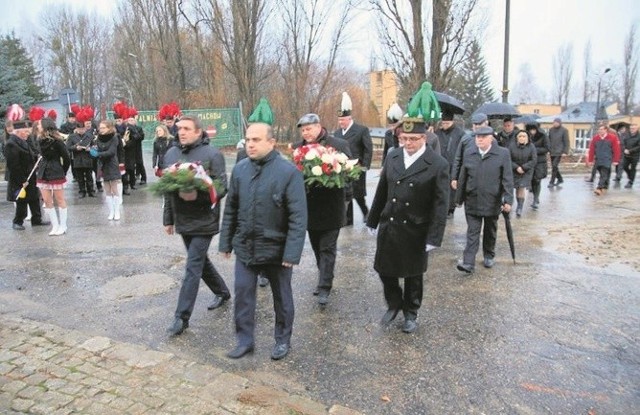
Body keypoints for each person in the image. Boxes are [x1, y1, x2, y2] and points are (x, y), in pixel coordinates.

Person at [220, 121, 307, 360]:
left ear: (271, 142)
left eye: (256, 140)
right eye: (248, 140)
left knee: (282, 298)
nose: (250, 144)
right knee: (243, 295)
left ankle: (282, 340)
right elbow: (232, 208)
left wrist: (291, 253)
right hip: (246, 247)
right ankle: (244, 340)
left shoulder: (289, 172)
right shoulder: (240, 170)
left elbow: (298, 217)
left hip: (276, 250)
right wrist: (225, 241)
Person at [366, 115, 449, 334]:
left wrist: (434, 237)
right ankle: (394, 303)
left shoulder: (437, 164)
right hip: (390, 223)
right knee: (384, 269)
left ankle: (411, 312)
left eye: (413, 139)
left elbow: (441, 205)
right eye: (404, 139)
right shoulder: (393, 156)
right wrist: (372, 220)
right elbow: (382, 191)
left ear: (424, 138)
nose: (408, 144)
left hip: (416, 227)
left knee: (413, 275)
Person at [163, 115, 231, 336]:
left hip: (204, 219)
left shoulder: (212, 154)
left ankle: (181, 317)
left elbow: (221, 188)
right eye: (179, 128)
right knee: (200, 261)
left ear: (198, 132)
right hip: (183, 219)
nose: (181, 132)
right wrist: (168, 219)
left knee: (192, 266)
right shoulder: (171, 154)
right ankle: (222, 291)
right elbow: (168, 189)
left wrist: (197, 194)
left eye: (186, 128)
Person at [292, 113, 351, 305]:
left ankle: (325, 286)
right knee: (317, 246)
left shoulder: (338, 145)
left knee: (327, 247)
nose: (305, 133)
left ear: (319, 127)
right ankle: (323, 277)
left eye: (308, 129)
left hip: (332, 205)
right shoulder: (298, 148)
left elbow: (349, 174)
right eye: (302, 130)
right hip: (309, 208)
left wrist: (346, 198)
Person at [456, 126, 513, 273]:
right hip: (472, 199)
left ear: (491, 138)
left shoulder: (502, 154)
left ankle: (489, 254)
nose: (479, 139)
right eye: (477, 137)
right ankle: (468, 262)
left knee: (490, 230)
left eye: (483, 137)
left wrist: (508, 200)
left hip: (492, 200)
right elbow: (463, 177)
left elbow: (507, 178)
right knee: (472, 232)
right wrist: (458, 198)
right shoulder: (469, 153)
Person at [333, 95, 373, 225]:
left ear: (349, 119)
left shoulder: (361, 130)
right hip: (343, 167)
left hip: (357, 166)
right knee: (345, 193)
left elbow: (368, 148)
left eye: (343, 120)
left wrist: (365, 165)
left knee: (357, 193)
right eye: (339, 120)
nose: (341, 123)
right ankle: (348, 219)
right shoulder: (337, 133)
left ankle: (365, 212)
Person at [5, 119, 50, 230]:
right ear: (18, 132)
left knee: (34, 198)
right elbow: (13, 166)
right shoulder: (11, 144)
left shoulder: (23, 141)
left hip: (30, 175)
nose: (27, 133)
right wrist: (22, 180)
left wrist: (37, 157)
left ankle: (36, 219)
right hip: (20, 177)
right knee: (21, 200)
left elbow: (30, 154)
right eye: (25, 131)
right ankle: (18, 221)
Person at [35, 118, 71, 236]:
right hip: (43, 171)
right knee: (47, 200)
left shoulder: (57, 141)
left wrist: (63, 171)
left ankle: (63, 225)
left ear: (45, 126)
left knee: (59, 199)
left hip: (56, 171)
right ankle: (55, 225)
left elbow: (66, 158)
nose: (37, 126)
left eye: (39, 124)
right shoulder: (39, 140)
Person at [435, 111, 465, 216]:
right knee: (440, 187)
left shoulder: (460, 133)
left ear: (452, 122)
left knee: (452, 188)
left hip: (454, 164)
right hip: (440, 164)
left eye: (447, 123)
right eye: (443, 123)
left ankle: (451, 209)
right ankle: (441, 207)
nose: (444, 125)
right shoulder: (438, 132)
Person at [451, 112, 490, 192]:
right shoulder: (466, 139)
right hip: (469, 176)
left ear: (486, 123)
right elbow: (458, 158)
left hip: (486, 177)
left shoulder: (492, 139)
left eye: (479, 124)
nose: (477, 126)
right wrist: (454, 177)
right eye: (475, 124)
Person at [93, 120, 123, 220]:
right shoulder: (98, 138)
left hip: (112, 164)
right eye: (100, 128)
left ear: (109, 128)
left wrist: (98, 154)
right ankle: (111, 211)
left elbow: (111, 152)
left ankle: (117, 211)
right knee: (107, 190)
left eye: (103, 128)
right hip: (102, 165)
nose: (100, 130)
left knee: (114, 188)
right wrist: (93, 151)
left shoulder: (114, 137)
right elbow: (97, 149)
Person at [587, 123, 621, 196]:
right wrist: (590, 160)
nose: (600, 131)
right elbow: (592, 149)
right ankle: (605, 185)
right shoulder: (596, 138)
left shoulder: (612, 137)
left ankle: (599, 187)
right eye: (599, 129)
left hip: (607, 158)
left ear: (606, 130)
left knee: (604, 173)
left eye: (602, 129)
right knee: (604, 173)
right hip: (598, 159)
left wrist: (616, 160)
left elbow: (616, 149)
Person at [508, 130, 536, 217]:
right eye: (520, 136)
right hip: (514, 170)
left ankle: (519, 207)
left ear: (527, 138)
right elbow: (508, 159)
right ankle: (509, 204)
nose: (522, 138)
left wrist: (523, 167)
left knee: (521, 187)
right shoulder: (511, 146)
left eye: (524, 136)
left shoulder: (531, 147)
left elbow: (534, 160)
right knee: (513, 188)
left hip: (526, 171)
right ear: (517, 137)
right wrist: (516, 167)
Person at [67, 116, 96, 198]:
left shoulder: (89, 136)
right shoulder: (72, 136)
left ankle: (91, 191)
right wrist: (75, 148)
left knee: (89, 176)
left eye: (83, 129)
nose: (81, 131)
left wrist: (90, 148)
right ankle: (82, 191)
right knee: (80, 177)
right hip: (77, 159)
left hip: (87, 158)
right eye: (79, 129)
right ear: (76, 129)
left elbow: (94, 146)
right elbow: (68, 147)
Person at [527, 123, 550, 209]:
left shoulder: (543, 136)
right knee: (532, 180)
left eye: (533, 129)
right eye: (530, 130)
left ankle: (535, 199)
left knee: (537, 180)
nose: (532, 131)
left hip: (540, 161)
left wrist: (534, 150)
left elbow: (547, 148)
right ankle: (535, 197)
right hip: (530, 161)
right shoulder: (527, 136)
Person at [547, 117, 569, 187]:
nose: (555, 124)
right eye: (554, 122)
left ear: (559, 123)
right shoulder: (551, 130)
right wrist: (548, 149)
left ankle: (551, 182)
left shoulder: (564, 130)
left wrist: (565, 151)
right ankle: (560, 179)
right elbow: (549, 139)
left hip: (559, 151)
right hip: (552, 151)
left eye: (556, 122)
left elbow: (566, 141)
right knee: (554, 167)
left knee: (554, 166)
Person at [622, 123, 639, 188]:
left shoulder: (639, 136)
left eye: (633, 128)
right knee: (624, 166)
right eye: (631, 128)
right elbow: (623, 143)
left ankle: (630, 182)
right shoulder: (627, 135)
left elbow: (638, 146)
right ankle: (630, 176)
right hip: (626, 154)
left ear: (637, 129)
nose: (632, 130)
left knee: (633, 168)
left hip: (635, 155)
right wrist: (624, 149)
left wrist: (630, 151)